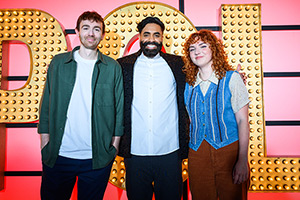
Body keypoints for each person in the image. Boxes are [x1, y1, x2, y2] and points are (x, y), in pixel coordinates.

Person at [38, 11, 124, 200]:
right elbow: (46, 104)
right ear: (77, 31)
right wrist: (45, 144)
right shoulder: (59, 63)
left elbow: (119, 109)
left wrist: (114, 147)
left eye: (96, 29)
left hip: (97, 159)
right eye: (86, 28)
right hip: (59, 155)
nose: (91, 33)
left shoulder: (112, 67)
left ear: (102, 34)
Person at [117, 17, 188, 200]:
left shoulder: (179, 64)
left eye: (157, 35)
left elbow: (206, 73)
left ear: (162, 38)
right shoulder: (123, 65)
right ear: (139, 37)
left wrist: (233, 76)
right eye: (146, 34)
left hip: (170, 152)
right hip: (135, 153)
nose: (152, 39)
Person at [182, 30, 250, 200]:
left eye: (203, 46)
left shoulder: (232, 79)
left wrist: (242, 160)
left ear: (214, 49)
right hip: (197, 154)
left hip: (229, 151)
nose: (197, 51)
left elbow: (242, 121)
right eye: (192, 49)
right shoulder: (187, 85)